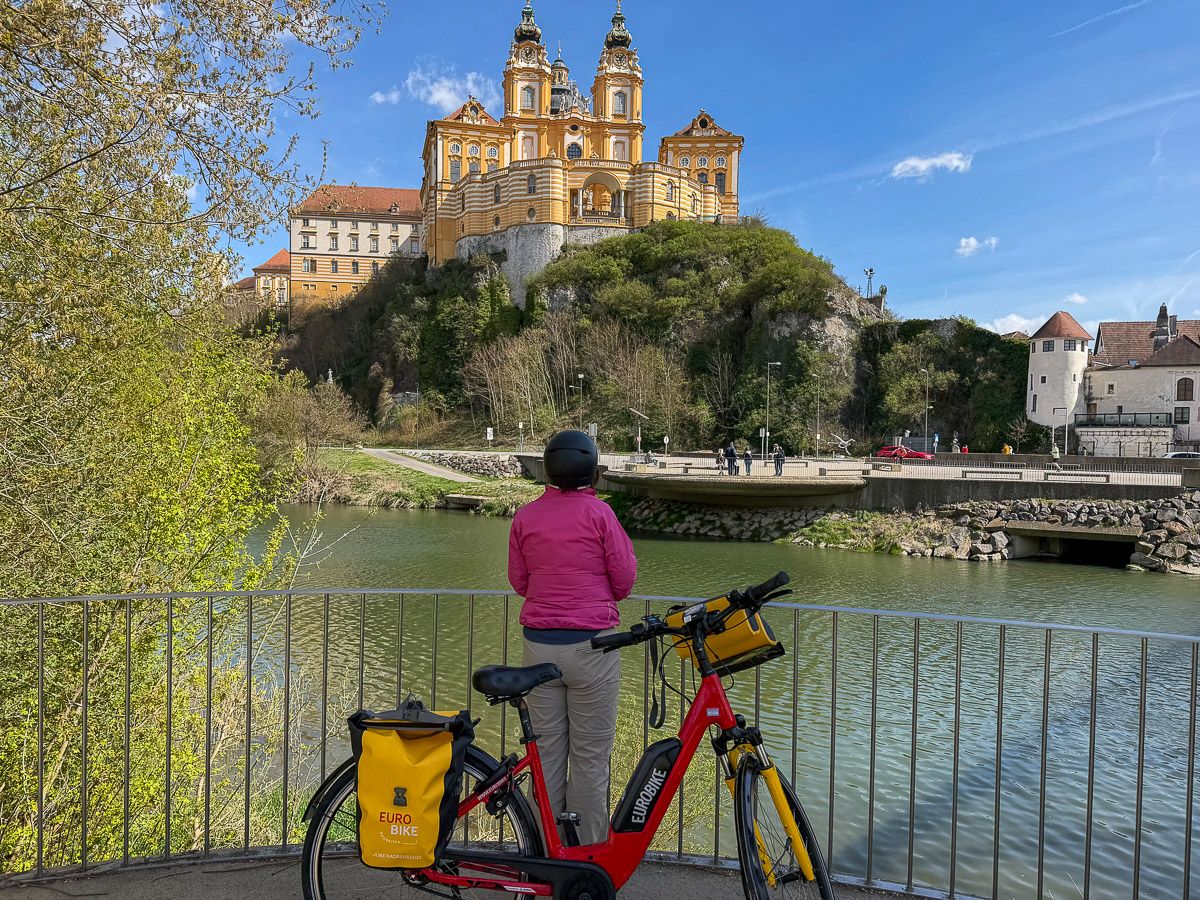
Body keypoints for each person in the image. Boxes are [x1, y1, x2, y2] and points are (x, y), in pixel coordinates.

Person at [508, 431, 637, 845]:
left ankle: (544, 853)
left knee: (544, 757)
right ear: (592, 471)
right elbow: (624, 582)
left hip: (539, 649)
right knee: (590, 758)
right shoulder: (601, 515)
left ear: (548, 469)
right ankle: (586, 857)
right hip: (593, 647)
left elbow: (519, 582)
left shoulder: (526, 517)